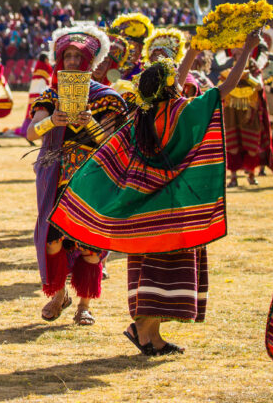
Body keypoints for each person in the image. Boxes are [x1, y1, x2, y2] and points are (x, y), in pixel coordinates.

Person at [50, 34, 260, 354]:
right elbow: (226, 86)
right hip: (171, 211)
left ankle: (150, 336)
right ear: (172, 88)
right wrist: (246, 50)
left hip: (143, 212)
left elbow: (169, 82)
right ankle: (145, 332)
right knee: (168, 271)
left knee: (147, 268)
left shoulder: (145, 115)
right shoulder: (183, 111)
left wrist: (192, 50)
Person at [26, 24, 126, 325]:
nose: (71, 61)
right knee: (52, 240)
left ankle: (84, 305)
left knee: (91, 245)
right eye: (66, 56)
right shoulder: (49, 95)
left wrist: (91, 123)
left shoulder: (107, 97)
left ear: (90, 62)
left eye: (77, 56)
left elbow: (114, 142)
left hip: (94, 178)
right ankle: (58, 295)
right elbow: (31, 133)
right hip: (58, 177)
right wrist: (51, 121)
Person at [221, 45, 272, 187]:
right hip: (232, 112)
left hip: (250, 112)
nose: (238, 52)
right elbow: (220, 87)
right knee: (232, 145)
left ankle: (251, 174)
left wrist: (247, 76)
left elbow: (259, 86)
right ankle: (233, 177)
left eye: (242, 50)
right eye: (236, 50)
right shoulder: (227, 72)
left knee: (251, 145)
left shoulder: (254, 71)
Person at [108, 13, 154, 79]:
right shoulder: (109, 66)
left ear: (140, 49)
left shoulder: (145, 71)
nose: (130, 51)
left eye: (134, 47)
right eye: (126, 47)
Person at [20, 52, 52, 142]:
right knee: (40, 115)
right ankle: (39, 136)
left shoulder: (37, 69)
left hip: (32, 94)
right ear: (45, 60)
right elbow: (49, 83)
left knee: (31, 114)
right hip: (40, 95)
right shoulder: (45, 69)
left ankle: (27, 132)